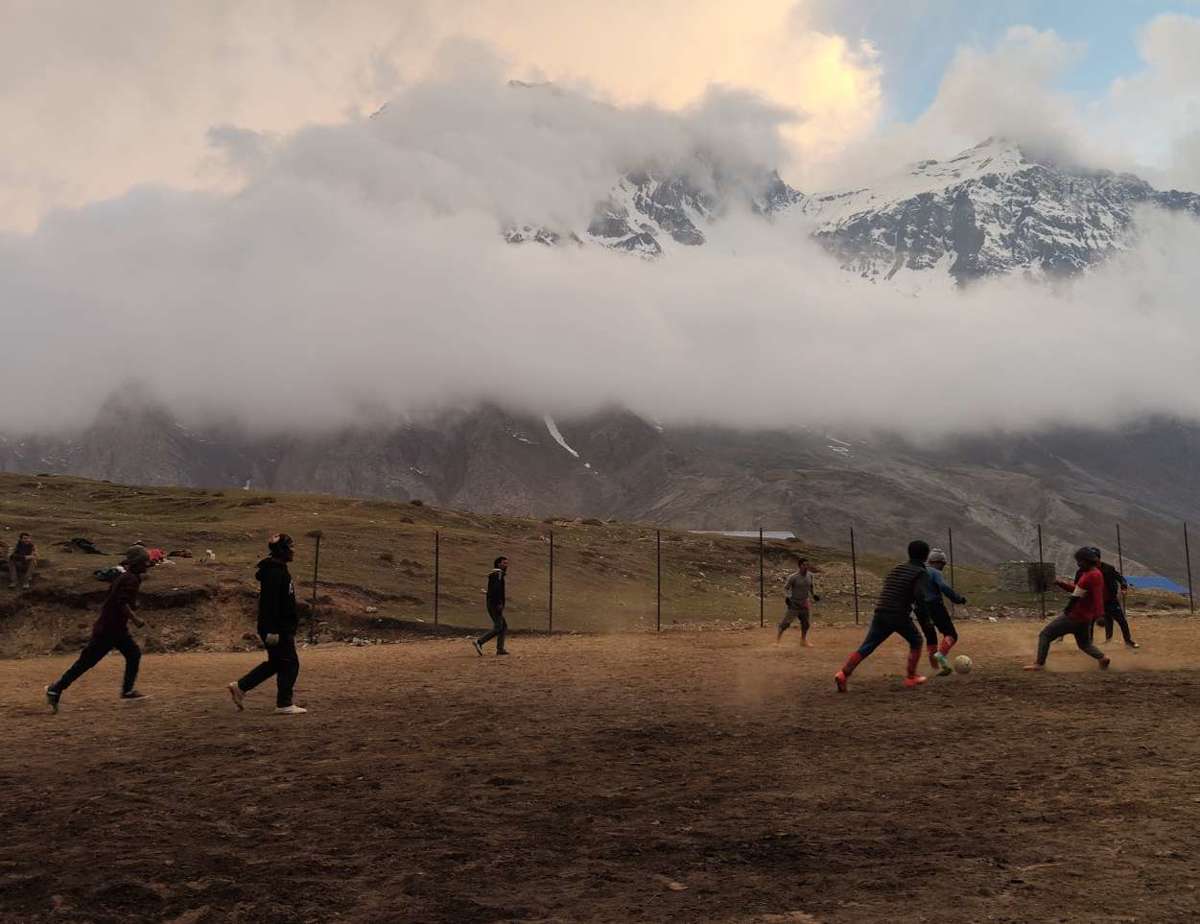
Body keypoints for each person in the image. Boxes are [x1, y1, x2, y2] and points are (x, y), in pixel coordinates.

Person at [45, 546, 151, 712]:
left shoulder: (126, 577)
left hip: (114, 627)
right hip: (109, 629)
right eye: (145, 561)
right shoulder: (131, 579)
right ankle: (56, 688)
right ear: (137, 562)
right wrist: (135, 618)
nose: (148, 564)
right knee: (86, 662)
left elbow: (116, 598)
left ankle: (127, 690)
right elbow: (120, 602)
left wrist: (132, 606)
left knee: (132, 654)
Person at [835, 540, 934, 692]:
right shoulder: (921, 573)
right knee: (916, 640)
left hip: (881, 610)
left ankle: (843, 674)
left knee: (868, 645)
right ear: (926, 556)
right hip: (898, 613)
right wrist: (926, 621)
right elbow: (920, 599)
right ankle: (911, 677)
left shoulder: (897, 568)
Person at [228, 534, 306, 715]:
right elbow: (269, 603)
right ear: (282, 550)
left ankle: (241, 687)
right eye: (290, 547)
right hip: (277, 628)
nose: (293, 551)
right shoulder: (274, 572)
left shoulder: (278, 569)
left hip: (278, 626)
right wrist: (272, 630)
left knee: (277, 663)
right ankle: (284, 703)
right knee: (289, 663)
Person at [1025, 547, 1111, 672]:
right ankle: (1102, 658)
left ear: (1086, 561)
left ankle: (1039, 664)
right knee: (1084, 644)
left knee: (1045, 635)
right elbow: (1079, 590)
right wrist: (1061, 583)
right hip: (1085, 617)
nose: (1078, 564)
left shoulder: (1089, 576)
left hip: (1074, 615)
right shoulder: (1095, 574)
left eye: (1080, 561)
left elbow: (1093, 597)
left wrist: (1100, 615)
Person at [920, 549, 967, 676]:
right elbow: (943, 586)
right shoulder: (935, 572)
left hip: (920, 609)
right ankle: (941, 655)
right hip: (935, 606)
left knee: (931, 638)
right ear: (939, 563)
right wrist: (957, 598)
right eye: (943, 564)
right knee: (951, 634)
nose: (943, 567)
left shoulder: (920, 572)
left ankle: (936, 668)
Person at [1089, 547, 1138, 649]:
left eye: (1093, 558)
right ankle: (1089, 644)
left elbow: (1120, 578)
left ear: (1098, 558)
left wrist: (1124, 587)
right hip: (1095, 601)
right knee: (1090, 622)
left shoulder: (1108, 568)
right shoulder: (1086, 570)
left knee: (1121, 621)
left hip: (1110, 600)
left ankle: (1128, 641)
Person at [776, 557, 821, 646]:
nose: (806, 566)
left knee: (806, 624)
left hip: (804, 603)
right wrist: (787, 597)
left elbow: (811, 587)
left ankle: (803, 641)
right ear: (799, 566)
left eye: (807, 565)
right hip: (794, 604)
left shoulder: (810, 576)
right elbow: (785, 588)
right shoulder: (793, 577)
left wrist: (814, 595)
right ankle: (777, 641)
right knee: (786, 623)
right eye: (804, 565)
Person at [473, 556, 509, 656]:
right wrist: (498, 603)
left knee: (503, 626)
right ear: (499, 564)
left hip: (493, 603)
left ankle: (500, 649)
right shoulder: (498, 575)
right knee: (498, 627)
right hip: (494, 604)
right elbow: (496, 590)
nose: (506, 565)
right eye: (504, 563)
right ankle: (480, 641)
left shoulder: (496, 574)